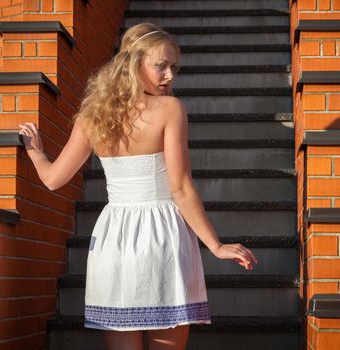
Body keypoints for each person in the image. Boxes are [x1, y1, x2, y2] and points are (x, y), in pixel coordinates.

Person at [18, 22, 258, 350]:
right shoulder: (171, 109)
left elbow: (52, 179)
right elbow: (181, 188)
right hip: (162, 237)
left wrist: (35, 150)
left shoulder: (92, 116)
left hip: (113, 239)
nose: (170, 75)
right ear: (134, 63)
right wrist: (215, 246)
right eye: (161, 66)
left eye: (174, 67)